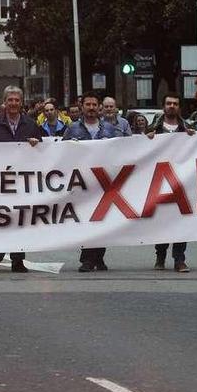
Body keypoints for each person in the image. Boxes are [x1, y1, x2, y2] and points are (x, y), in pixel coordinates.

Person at [0, 86, 43, 274]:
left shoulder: (31, 124)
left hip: (22, 182)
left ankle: (17, 259)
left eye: (17, 100)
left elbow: (44, 153)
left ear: (21, 103)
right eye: (10, 100)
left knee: (20, 221)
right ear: (4, 102)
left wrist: (36, 145)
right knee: (1, 220)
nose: (13, 103)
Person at [63, 91, 126, 272]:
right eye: (87, 105)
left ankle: (99, 257)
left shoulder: (109, 129)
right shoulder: (73, 129)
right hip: (82, 185)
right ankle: (87, 259)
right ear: (82, 107)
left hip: (104, 184)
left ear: (98, 107)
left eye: (93, 105)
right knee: (85, 222)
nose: (91, 108)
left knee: (103, 222)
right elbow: (61, 153)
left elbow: (121, 151)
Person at [146, 94, 196, 272]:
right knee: (161, 221)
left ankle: (179, 259)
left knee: (181, 222)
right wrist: (147, 138)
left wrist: (194, 137)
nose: (172, 106)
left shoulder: (187, 129)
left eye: (175, 103)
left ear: (179, 107)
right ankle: (160, 255)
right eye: (168, 103)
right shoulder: (153, 129)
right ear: (163, 106)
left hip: (182, 182)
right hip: (159, 182)